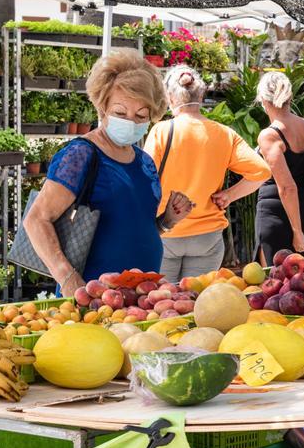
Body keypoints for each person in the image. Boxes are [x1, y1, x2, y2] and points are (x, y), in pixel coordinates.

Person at [25, 49, 194, 296]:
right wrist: (70, 280)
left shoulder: (144, 162)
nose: (131, 121)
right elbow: (36, 219)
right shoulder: (81, 155)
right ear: (102, 107)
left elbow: (132, 226)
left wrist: (167, 222)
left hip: (142, 297)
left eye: (140, 115)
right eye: (120, 113)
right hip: (93, 299)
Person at [145, 65, 271, 280]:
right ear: (201, 95)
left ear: (170, 97)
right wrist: (229, 195)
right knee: (198, 305)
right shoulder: (224, 134)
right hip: (208, 236)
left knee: (162, 304)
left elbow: (145, 179)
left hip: (166, 231)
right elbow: (261, 172)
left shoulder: (162, 131)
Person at [255, 70, 304, 263]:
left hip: (280, 218)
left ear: (264, 101)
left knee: (273, 283)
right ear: (290, 97)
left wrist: (296, 231)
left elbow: (287, 187)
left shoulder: (270, 135)